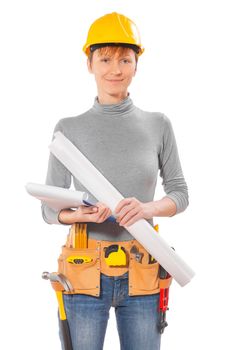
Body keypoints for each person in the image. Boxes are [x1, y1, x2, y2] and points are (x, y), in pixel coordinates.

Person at [42, 12, 189, 350]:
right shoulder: (68, 129)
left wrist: (146, 207)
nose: (115, 69)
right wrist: (78, 214)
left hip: (143, 270)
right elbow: (50, 212)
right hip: (83, 272)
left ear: (137, 64)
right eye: (105, 58)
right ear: (89, 63)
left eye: (125, 59)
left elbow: (180, 194)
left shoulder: (158, 125)